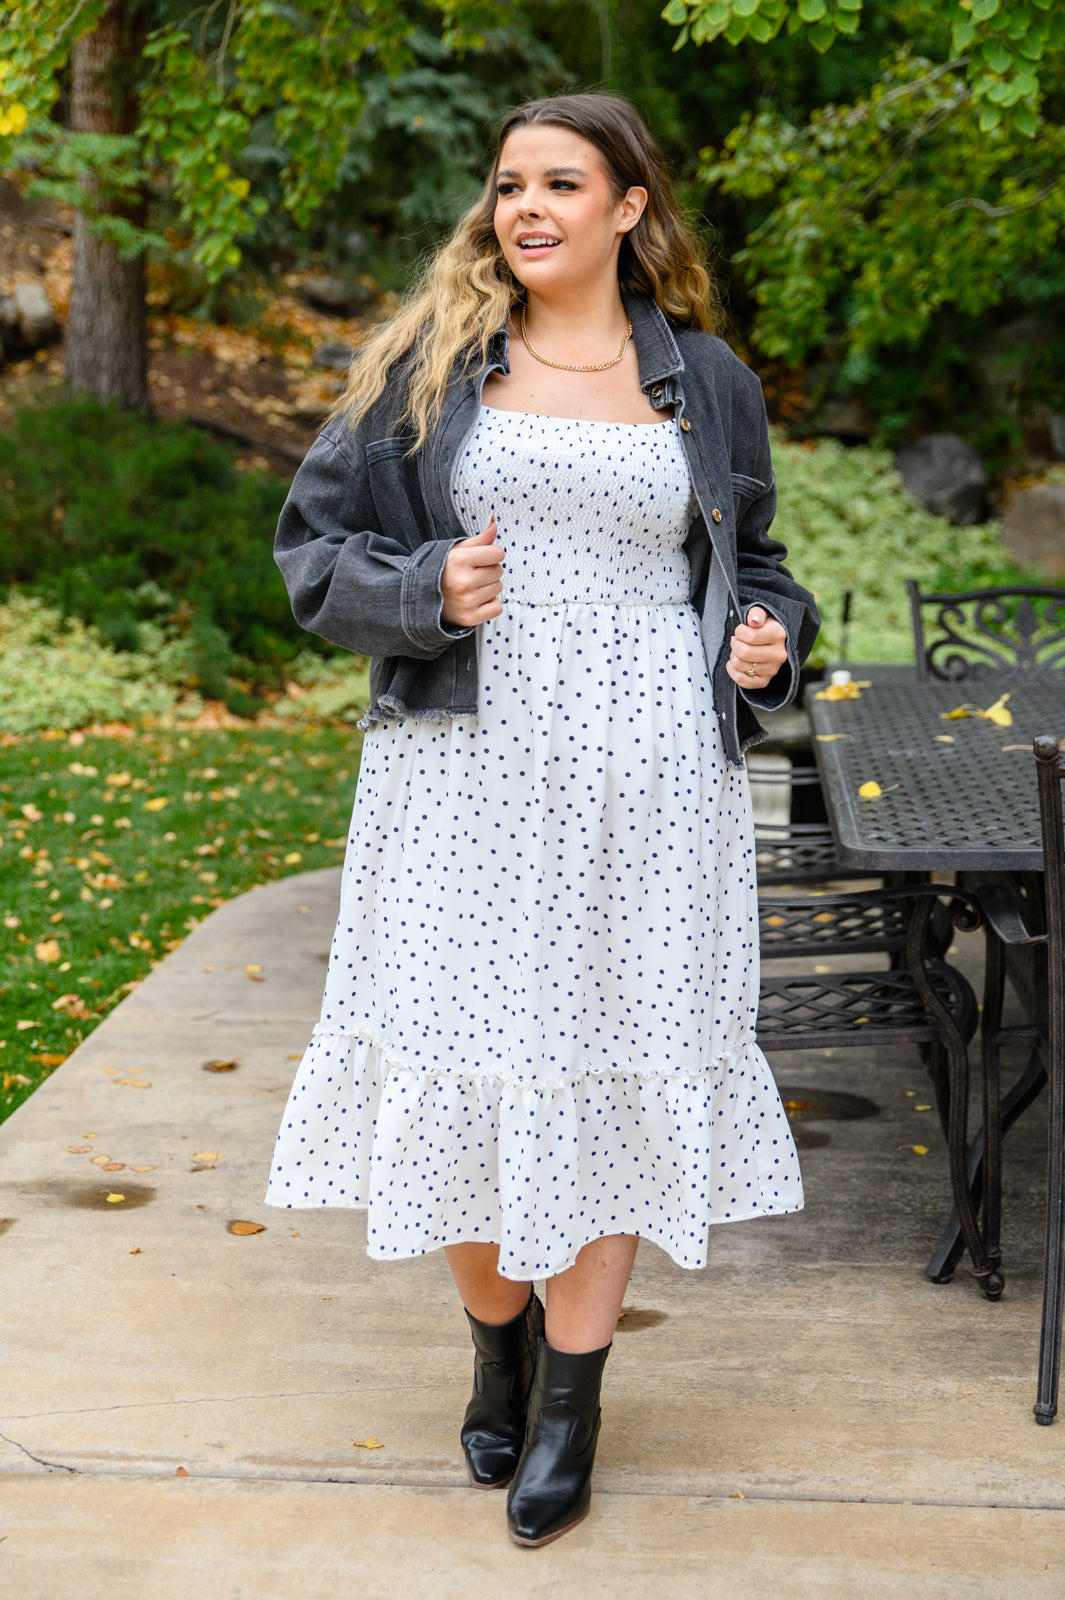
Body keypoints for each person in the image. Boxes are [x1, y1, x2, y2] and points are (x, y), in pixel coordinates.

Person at [266, 91, 819, 1548]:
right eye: (509, 183)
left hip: (649, 775)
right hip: (464, 769)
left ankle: (571, 1400)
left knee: (618, 1052)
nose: (527, 207)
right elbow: (312, 555)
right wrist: (421, 591)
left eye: (561, 183)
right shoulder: (430, 366)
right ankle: (495, 1341)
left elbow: (753, 568)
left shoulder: (704, 380)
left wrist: (763, 637)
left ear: (627, 206)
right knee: (458, 1042)